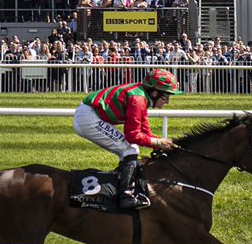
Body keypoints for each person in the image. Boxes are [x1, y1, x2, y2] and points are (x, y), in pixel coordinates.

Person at [73, 68, 182, 208]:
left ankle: (119, 185)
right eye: (166, 97)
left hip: (91, 115)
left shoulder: (142, 95)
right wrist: (158, 142)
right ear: (155, 93)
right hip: (88, 119)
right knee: (130, 150)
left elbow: (144, 131)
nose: (167, 102)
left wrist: (161, 144)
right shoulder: (138, 99)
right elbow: (133, 135)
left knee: (132, 149)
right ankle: (126, 195)